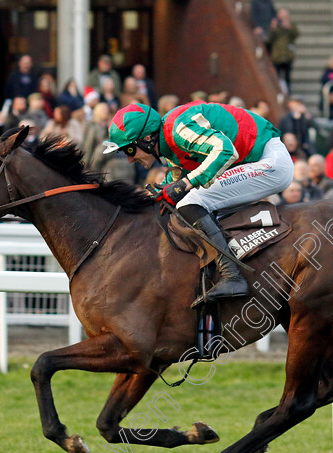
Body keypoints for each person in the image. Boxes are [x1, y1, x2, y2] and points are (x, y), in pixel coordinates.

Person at [103, 102, 292, 305]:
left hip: (270, 161)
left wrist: (184, 184)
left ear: (147, 138)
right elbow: (178, 177)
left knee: (191, 201)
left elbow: (225, 151)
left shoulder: (178, 129)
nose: (130, 159)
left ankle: (232, 276)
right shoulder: (170, 146)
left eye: (130, 149)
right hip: (255, 159)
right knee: (186, 203)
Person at [267, 8, 300, 91]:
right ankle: (277, 91)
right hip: (277, 55)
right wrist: (273, 28)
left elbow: (295, 35)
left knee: (287, 76)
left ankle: (287, 92)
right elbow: (269, 39)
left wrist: (289, 27)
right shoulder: (275, 24)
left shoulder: (290, 24)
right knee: (276, 76)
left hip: (287, 55)